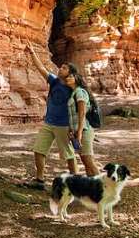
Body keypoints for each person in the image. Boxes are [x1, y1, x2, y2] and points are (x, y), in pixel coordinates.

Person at [24, 45, 76, 189]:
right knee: (39, 149)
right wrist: (32, 52)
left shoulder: (73, 88)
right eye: (61, 67)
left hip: (63, 125)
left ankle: (76, 183)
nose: (60, 69)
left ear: (70, 74)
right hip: (49, 122)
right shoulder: (54, 81)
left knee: (68, 154)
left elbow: (79, 106)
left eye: (64, 68)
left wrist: (75, 127)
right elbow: (41, 68)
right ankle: (40, 180)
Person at [64, 68, 100, 177]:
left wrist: (79, 132)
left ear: (77, 79)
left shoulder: (80, 91)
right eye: (67, 77)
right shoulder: (73, 94)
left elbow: (82, 112)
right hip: (77, 131)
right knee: (85, 160)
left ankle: (102, 188)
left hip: (84, 130)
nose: (68, 78)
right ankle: (92, 188)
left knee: (88, 160)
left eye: (70, 76)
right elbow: (72, 115)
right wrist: (71, 130)